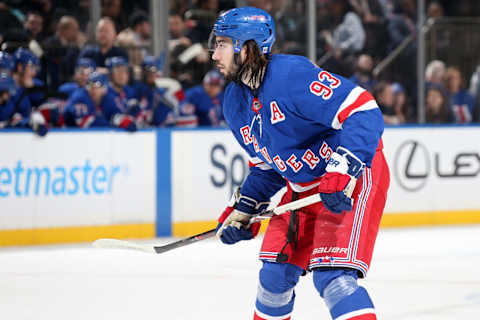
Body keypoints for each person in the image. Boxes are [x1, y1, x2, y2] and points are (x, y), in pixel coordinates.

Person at [210, 7, 389, 320]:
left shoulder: (291, 76)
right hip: (303, 188)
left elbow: (364, 109)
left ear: (248, 48)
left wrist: (342, 168)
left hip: (351, 179)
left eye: (222, 44)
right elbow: (267, 167)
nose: (214, 54)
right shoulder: (234, 102)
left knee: (334, 279)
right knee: (273, 278)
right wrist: (245, 208)